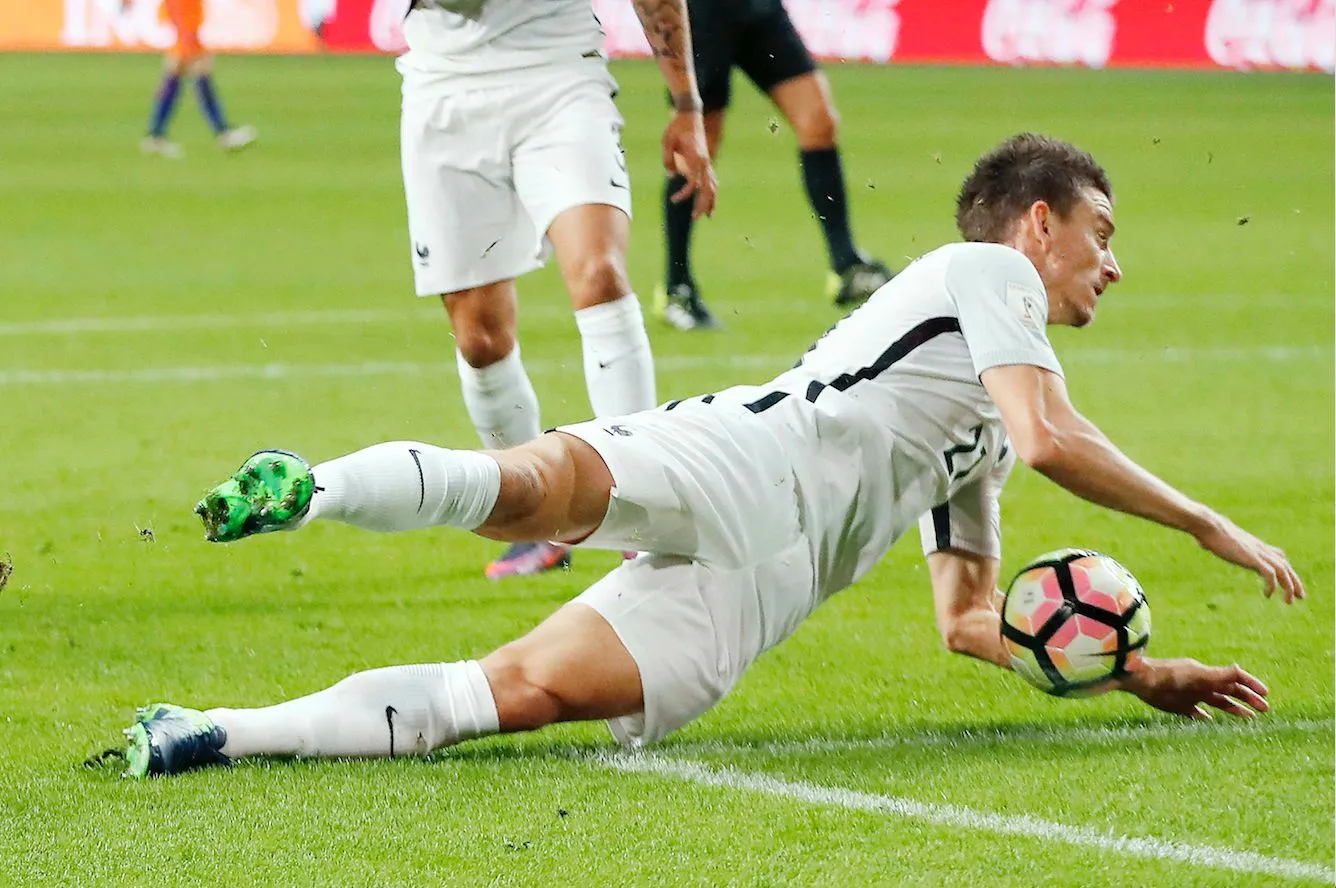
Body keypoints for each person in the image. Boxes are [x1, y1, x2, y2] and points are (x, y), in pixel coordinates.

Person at [123, 134, 1303, 778]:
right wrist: (1207, 525)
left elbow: (967, 616)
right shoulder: (984, 276)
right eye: (1100, 233)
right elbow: (1060, 439)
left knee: (503, 698)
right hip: (757, 456)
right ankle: (312, 487)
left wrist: (1128, 672)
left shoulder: (986, 425)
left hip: (764, 589)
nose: (1112, 263)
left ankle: (211, 731)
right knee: (533, 489)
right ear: (1035, 223)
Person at [392, 0, 717, 579]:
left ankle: (643, 517)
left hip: (562, 76)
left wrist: (687, 103)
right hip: (444, 89)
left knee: (599, 274)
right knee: (479, 337)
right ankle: (537, 522)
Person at [654, 0, 893, 330]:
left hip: (758, 8)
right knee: (698, 144)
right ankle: (676, 287)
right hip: (699, 13)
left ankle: (845, 264)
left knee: (819, 121)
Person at [138, 0, 257, 159]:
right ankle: (223, 132)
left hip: (187, 25)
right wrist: (186, 34)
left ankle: (155, 135)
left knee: (177, 77)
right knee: (197, 76)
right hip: (186, 27)